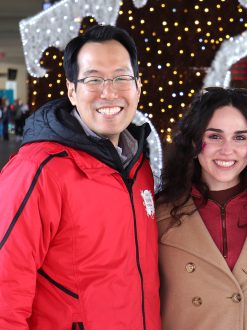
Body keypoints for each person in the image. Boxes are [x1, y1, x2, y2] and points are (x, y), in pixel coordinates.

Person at [0, 25, 161, 329]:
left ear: (138, 86)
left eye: (121, 77)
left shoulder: (141, 170)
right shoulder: (38, 170)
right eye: (93, 79)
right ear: (72, 90)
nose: (109, 91)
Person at [156, 87, 247, 330]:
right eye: (214, 136)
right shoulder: (158, 214)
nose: (227, 149)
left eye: (240, 137)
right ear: (194, 141)